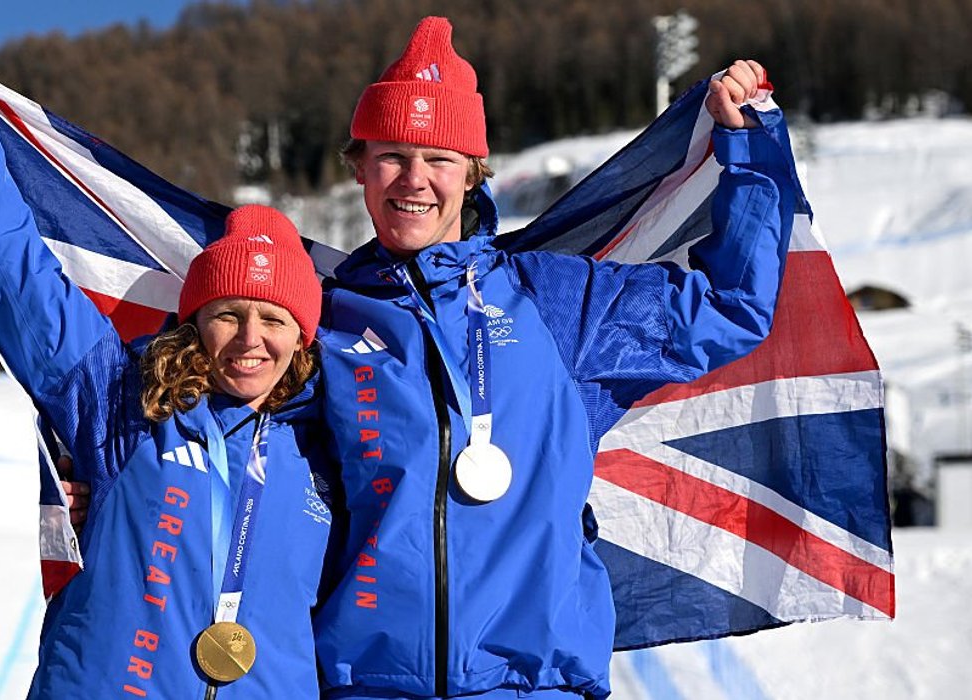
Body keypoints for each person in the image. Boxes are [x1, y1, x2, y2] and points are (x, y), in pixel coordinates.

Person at [308, 16, 793, 700]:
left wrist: (744, 149)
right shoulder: (317, 321)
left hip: (532, 684)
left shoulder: (557, 301)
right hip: (365, 685)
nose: (413, 179)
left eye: (439, 158)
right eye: (390, 153)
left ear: (474, 172)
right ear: (357, 165)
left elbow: (730, 308)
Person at [0, 46, 337, 698]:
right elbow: (11, 277)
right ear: (195, 319)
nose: (251, 340)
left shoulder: (330, 446)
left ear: (302, 336)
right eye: (228, 314)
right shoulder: (119, 401)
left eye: (274, 320)